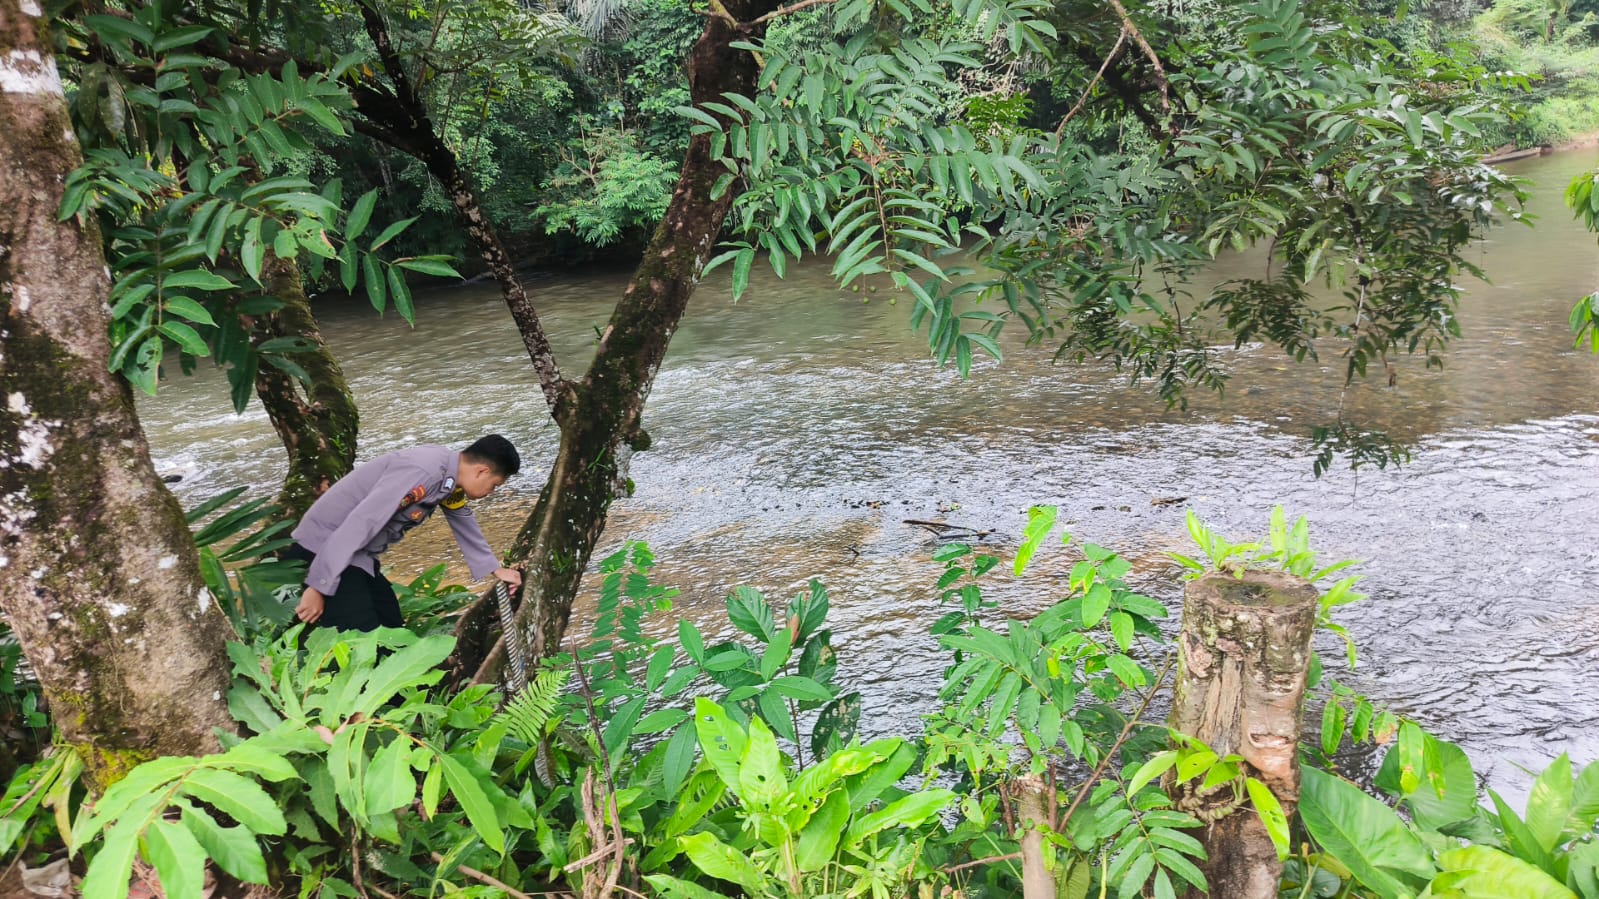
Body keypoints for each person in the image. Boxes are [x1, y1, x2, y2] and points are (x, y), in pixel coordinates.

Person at [287, 435, 524, 631]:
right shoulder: (424, 471)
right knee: (361, 634)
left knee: (389, 622)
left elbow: (462, 518)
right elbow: (361, 522)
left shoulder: (449, 478)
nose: (491, 492)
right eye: (494, 485)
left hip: (354, 556)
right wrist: (318, 585)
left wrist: (495, 569)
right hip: (322, 550)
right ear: (481, 471)